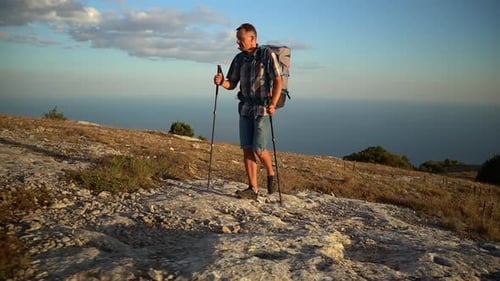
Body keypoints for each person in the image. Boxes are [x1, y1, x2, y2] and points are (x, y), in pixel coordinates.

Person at [213, 23, 283, 200]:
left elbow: (278, 81)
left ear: (253, 38)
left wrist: (273, 104)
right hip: (245, 108)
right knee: (246, 148)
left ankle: (271, 173)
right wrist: (222, 82)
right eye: (237, 39)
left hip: (262, 108)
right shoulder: (239, 59)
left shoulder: (267, 55)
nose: (238, 42)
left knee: (259, 148)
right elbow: (232, 83)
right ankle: (253, 188)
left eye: (241, 39)